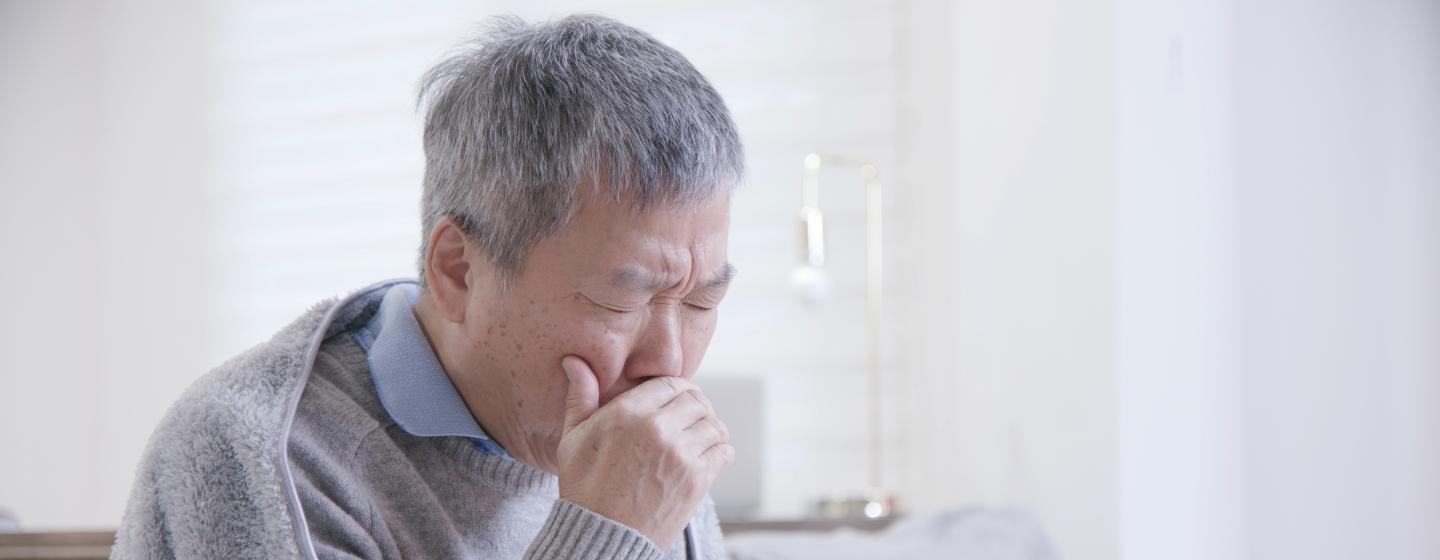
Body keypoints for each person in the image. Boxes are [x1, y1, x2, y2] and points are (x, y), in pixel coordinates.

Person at [113, 14, 744, 560]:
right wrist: (607, 538)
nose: (669, 363)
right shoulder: (255, 452)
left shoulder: (644, 453)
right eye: (621, 300)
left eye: (700, 302)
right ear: (458, 270)